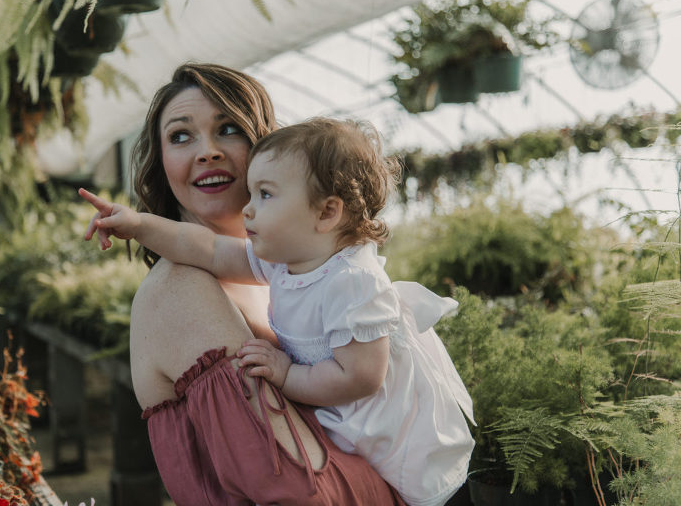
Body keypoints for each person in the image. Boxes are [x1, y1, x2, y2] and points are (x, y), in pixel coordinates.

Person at [80, 116, 476, 505]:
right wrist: (137, 224)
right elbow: (210, 248)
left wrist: (287, 374)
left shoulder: (353, 282)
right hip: (345, 431)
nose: (250, 209)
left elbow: (362, 377)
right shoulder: (282, 262)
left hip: (393, 441)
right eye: (251, 194)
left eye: (265, 195)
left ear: (326, 213)